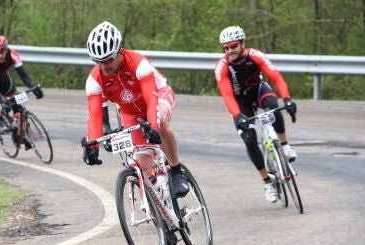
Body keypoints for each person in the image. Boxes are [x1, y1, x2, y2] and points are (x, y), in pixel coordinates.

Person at [81, 21, 189, 198]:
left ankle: (177, 171)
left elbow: (151, 99)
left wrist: (153, 126)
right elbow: (95, 116)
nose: (104, 66)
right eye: (99, 61)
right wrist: (93, 145)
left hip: (158, 96)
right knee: (142, 165)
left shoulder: (138, 64)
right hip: (130, 112)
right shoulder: (94, 80)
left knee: (160, 121)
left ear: (119, 52)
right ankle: (162, 213)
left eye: (108, 60)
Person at [214, 25, 298, 203]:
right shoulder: (222, 67)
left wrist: (288, 100)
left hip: (258, 91)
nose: (230, 51)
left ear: (243, 43)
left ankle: (284, 145)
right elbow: (227, 95)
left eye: (234, 46)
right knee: (249, 138)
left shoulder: (256, 55)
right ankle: (267, 181)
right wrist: (238, 116)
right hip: (240, 103)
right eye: (226, 48)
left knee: (274, 107)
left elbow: (276, 78)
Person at [0, 34, 44, 136]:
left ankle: (18, 123)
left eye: (2, 52)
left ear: (6, 50)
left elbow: (23, 74)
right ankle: (1, 120)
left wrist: (32, 87)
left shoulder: (12, 54)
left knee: (15, 98)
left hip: (2, 77)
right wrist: (2, 102)